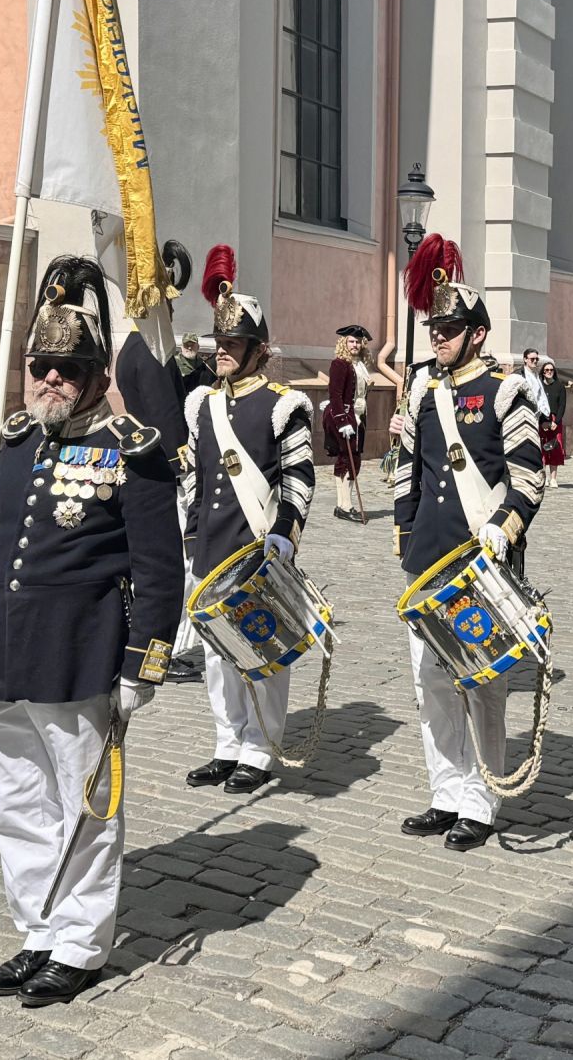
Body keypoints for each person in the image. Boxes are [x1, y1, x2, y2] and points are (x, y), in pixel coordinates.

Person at [0, 256, 183, 1007]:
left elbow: (159, 567)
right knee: (14, 804)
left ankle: (80, 942)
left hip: (79, 659)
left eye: (68, 367)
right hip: (2, 656)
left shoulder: (132, 448)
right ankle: (38, 927)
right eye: (40, 364)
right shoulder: (11, 439)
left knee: (83, 808)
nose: (49, 379)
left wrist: (144, 664)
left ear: (98, 370)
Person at [393, 236, 544, 851]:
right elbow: (409, 472)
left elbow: (530, 479)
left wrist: (502, 527)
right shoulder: (423, 388)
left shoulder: (507, 392)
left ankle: (480, 802)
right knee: (431, 684)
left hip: (481, 562)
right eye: (434, 326)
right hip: (429, 557)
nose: (438, 336)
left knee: (480, 683)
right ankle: (445, 792)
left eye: (450, 328)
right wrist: (404, 529)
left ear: (477, 334)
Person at [182, 246, 316, 797]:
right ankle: (227, 743)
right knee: (217, 656)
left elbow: (300, 480)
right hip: (211, 547)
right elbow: (194, 475)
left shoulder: (285, 405)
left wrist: (284, 534)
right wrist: (188, 529)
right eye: (221, 345)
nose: (224, 354)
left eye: (234, 346)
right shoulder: (201, 405)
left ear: (259, 351)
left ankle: (260, 748)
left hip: (257, 550)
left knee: (262, 656)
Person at [323, 325, 372, 521]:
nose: (355, 345)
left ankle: (343, 505)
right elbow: (335, 394)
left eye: (358, 341)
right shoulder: (340, 364)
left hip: (358, 415)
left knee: (354, 459)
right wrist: (342, 420)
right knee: (347, 458)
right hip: (344, 416)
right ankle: (345, 505)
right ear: (344, 343)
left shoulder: (359, 364)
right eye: (351, 341)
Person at [538, 358, 569, 486]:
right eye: (546, 370)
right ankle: (542, 477)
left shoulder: (560, 386)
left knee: (555, 447)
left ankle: (553, 478)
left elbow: (562, 405)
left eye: (551, 370)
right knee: (542, 447)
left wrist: (557, 421)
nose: (549, 372)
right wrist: (542, 422)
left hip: (555, 419)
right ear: (543, 372)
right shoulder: (539, 385)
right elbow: (537, 403)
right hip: (542, 419)